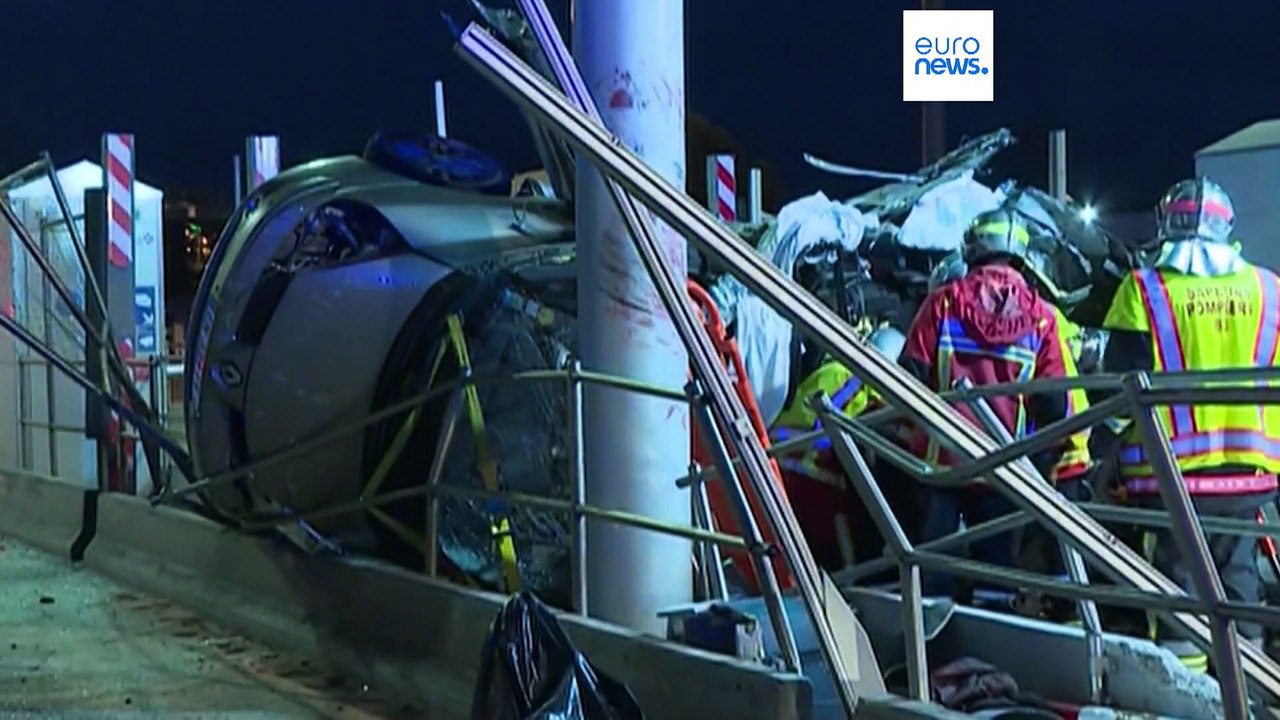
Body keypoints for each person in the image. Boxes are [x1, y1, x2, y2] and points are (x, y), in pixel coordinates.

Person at [1094, 177, 1280, 672]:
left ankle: (1186, 700)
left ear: (1165, 223)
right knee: (1239, 583)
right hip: (1250, 478)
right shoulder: (1268, 289)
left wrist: (1098, 458)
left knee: (1178, 597)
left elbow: (1116, 391)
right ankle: (1252, 687)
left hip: (1169, 478)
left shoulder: (1144, 289)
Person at [901, 208, 1073, 601]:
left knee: (933, 574)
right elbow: (1052, 406)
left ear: (973, 249)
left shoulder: (942, 304)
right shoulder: (1043, 319)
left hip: (939, 466)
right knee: (996, 574)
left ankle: (931, 652)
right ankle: (994, 649)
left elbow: (908, 379)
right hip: (1003, 468)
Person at [768, 326, 912, 572]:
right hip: (809, 479)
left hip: (781, 470)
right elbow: (827, 438)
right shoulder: (858, 385)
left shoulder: (835, 371)